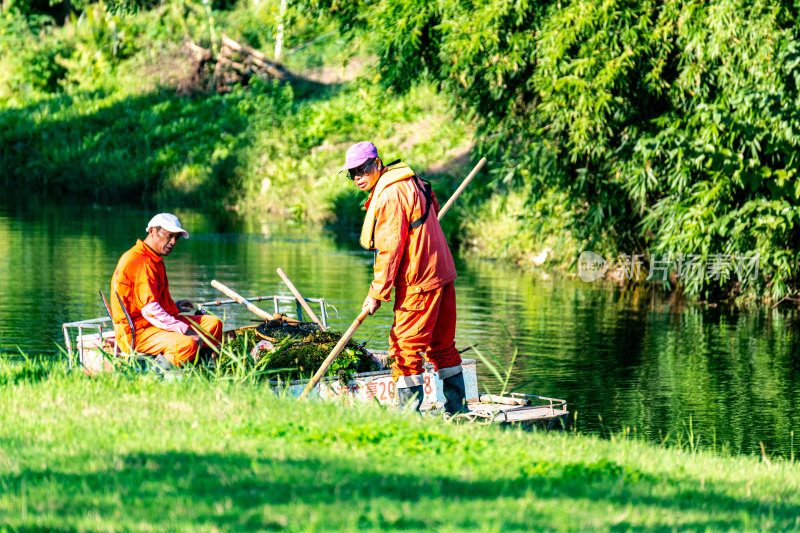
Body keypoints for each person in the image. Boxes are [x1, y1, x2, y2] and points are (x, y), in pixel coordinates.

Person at [339, 141, 467, 415]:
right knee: (443, 346)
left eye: (362, 170)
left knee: (404, 349)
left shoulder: (389, 195)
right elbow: (431, 207)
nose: (359, 177)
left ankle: (407, 419)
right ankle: (458, 413)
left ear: (377, 163)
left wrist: (377, 293)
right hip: (442, 270)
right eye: (352, 174)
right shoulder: (411, 179)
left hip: (419, 279)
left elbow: (390, 248)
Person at [110, 213, 222, 367]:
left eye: (177, 237)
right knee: (187, 343)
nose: (173, 242)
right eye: (169, 236)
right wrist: (185, 330)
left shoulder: (153, 258)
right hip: (137, 332)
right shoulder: (139, 261)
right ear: (152, 231)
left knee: (213, 325)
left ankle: (196, 369)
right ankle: (157, 376)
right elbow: (150, 311)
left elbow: (148, 304)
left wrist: (173, 307)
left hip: (152, 326)